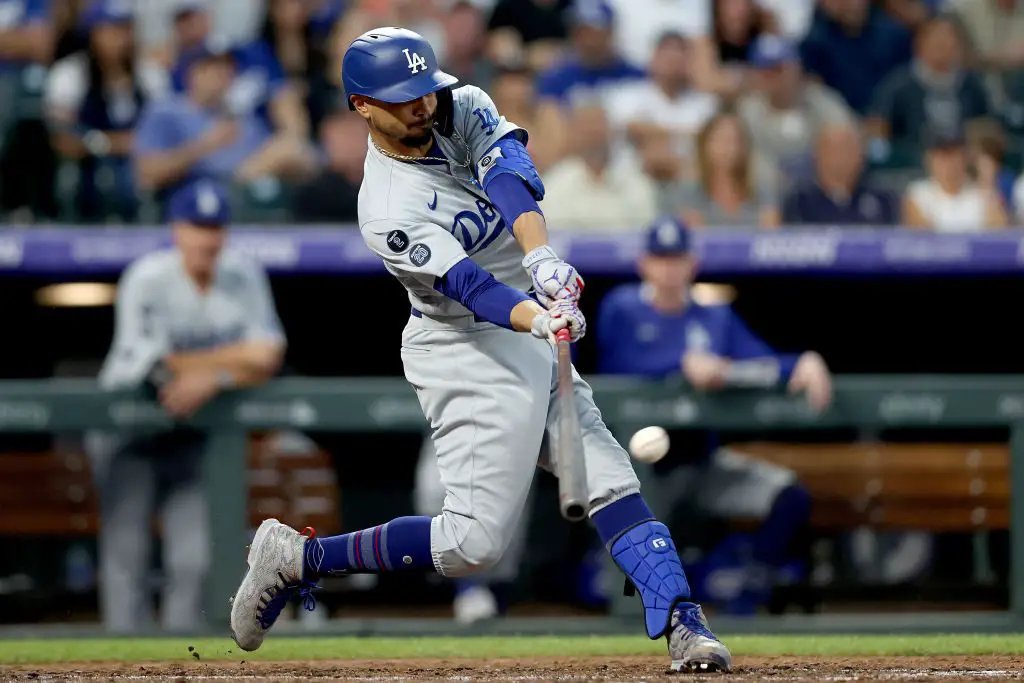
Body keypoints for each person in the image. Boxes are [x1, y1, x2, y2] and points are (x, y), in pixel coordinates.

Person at [228, 27, 733, 674]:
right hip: (461, 345)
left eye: (423, 90)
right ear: (361, 105)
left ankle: (684, 622)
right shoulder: (385, 208)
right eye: (401, 97)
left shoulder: (458, 102)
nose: (421, 105)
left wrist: (542, 258)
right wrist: (535, 314)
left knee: (607, 473)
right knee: (473, 545)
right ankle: (298, 560)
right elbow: (468, 287)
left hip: (530, 313)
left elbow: (511, 174)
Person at [596, 216, 830, 614]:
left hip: (701, 463)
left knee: (789, 496)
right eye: (660, 258)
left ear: (692, 263)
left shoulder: (712, 316)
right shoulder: (622, 307)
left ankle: (747, 581)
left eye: (677, 258)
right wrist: (683, 363)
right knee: (620, 587)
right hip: (635, 474)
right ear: (644, 264)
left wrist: (802, 362)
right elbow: (617, 360)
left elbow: (759, 360)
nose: (669, 268)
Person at [87, 180, 286, 633]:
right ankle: (119, 661)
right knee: (126, 554)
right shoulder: (148, 276)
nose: (207, 238)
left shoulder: (243, 274)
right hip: (131, 430)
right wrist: (235, 359)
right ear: (177, 229)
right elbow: (159, 365)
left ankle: (177, 663)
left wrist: (212, 377)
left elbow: (269, 354)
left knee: (195, 558)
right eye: (198, 226)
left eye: (215, 227)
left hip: (196, 435)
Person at [902, 125, 1008, 231]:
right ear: (930, 159)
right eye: (942, 155)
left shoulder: (981, 195)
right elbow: (924, 237)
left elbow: (1000, 234)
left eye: (954, 154)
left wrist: (987, 182)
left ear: (965, 157)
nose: (948, 163)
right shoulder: (918, 194)